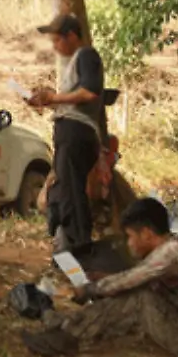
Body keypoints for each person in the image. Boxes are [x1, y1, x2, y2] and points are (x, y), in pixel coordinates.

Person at [21, 198, 178, 357]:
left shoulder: (171, 253)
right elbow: (139, 278)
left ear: (147, 234)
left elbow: (132, 280)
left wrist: (90, 289)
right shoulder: (171, 250)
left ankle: (66, 338)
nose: (129, 243)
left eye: (131, 236)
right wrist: (107, 280)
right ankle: (67, 327)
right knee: (133, 295)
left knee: (139, 297)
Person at [29, 14, 106, 253]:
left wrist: (54, 97)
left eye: (57, 41)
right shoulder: (74, 62)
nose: (55, 47)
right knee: (61, 190)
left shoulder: (86, 55)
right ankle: (67, 244)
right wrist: (47, 101)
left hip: (76, 131)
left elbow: (90, 92)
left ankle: (79, 246)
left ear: (71, 36)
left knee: (70, 193)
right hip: (69, 131)